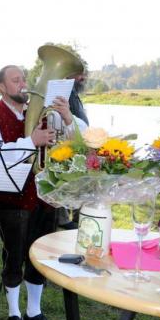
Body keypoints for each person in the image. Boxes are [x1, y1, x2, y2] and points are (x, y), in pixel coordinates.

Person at [0, 65, 86, 320]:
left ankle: (33, 311)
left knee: (40, 256)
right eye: (15, 80)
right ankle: (14, 312)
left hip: (44, 196)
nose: (23, 83)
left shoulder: (42, 112)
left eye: (24, 78)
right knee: (14, 255)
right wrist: (31, 141)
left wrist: (68, 118)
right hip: (10, 198)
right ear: (2, 87)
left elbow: (82, 141)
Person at [58, 71, 90, 230]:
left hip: (79, 143)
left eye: (84, 74)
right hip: (69, 145)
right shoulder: (65, 93)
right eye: (79, 74)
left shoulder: (74, 93)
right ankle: (66, 219)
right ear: (68, 74)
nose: (82, 78)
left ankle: (75, 218)